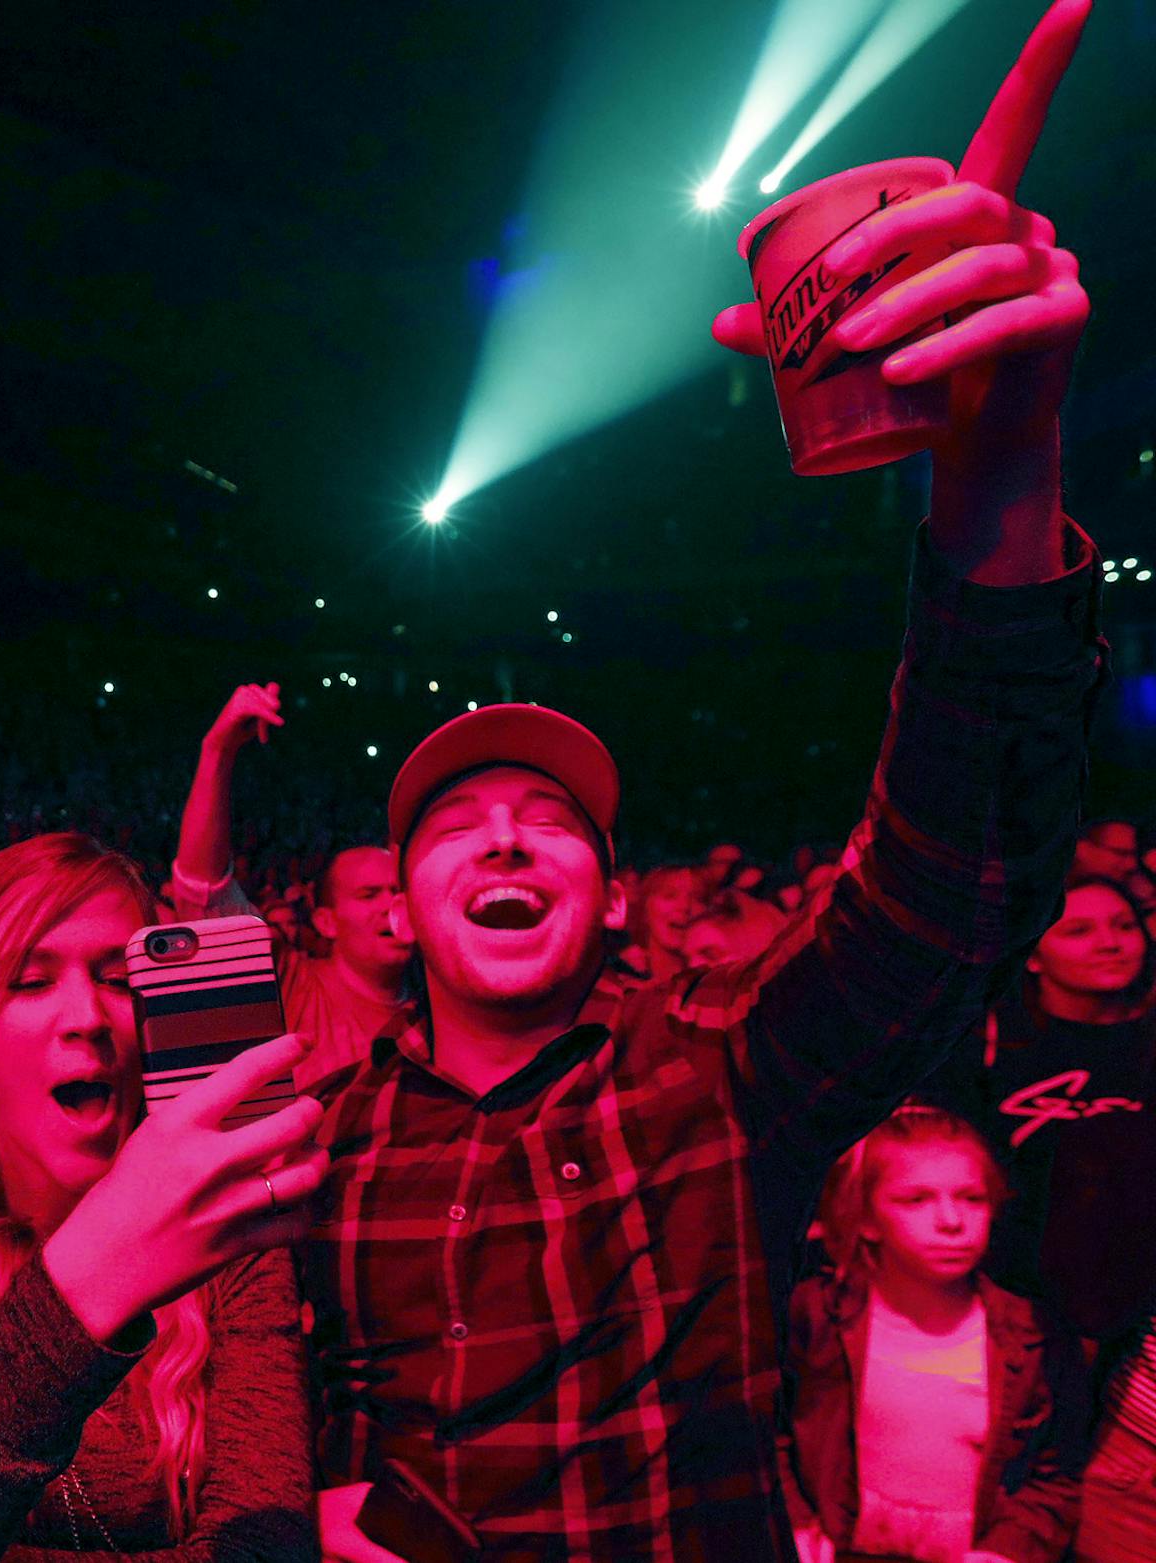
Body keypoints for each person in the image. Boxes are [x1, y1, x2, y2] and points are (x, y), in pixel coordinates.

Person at [309, 10, 1102, 1557]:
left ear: (611, 898)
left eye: (552, 818)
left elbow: (956, 888)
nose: (508, 832)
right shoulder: (324, 1148)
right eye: (458, 823)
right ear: (398, 907)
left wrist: (1000, 468)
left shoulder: (716, 1084)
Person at [0, 832, 325, 1560]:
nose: (88, 1018)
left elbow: (265, 1548)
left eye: (117, 979)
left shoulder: (231, 1228)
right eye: (31, 981)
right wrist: (92, 1274)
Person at [943, 877, 1156, 1562]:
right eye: (1080, 929)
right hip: (1022, 1310)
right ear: (1033, 953)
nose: (1109, 942)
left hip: (1133, 1326)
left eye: (1123, 925)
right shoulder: (995, 1041)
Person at [781, 1106, 1086, 1563]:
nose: (951, 1221)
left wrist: (1008, 1551)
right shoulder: (818, 1316)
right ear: (866, 1219)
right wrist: (795, 1523)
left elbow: (1057, 1476)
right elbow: (769, 1434)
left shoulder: (1033, 1336)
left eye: (972, 1199)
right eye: (916, 1200)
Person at [170, 682, 412, 1092]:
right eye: (369, 895)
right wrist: (218, 752)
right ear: (326, 921)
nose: (389, 906)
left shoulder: (441, 1000)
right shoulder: (291, 983)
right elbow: (203, 893)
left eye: (396, 892)